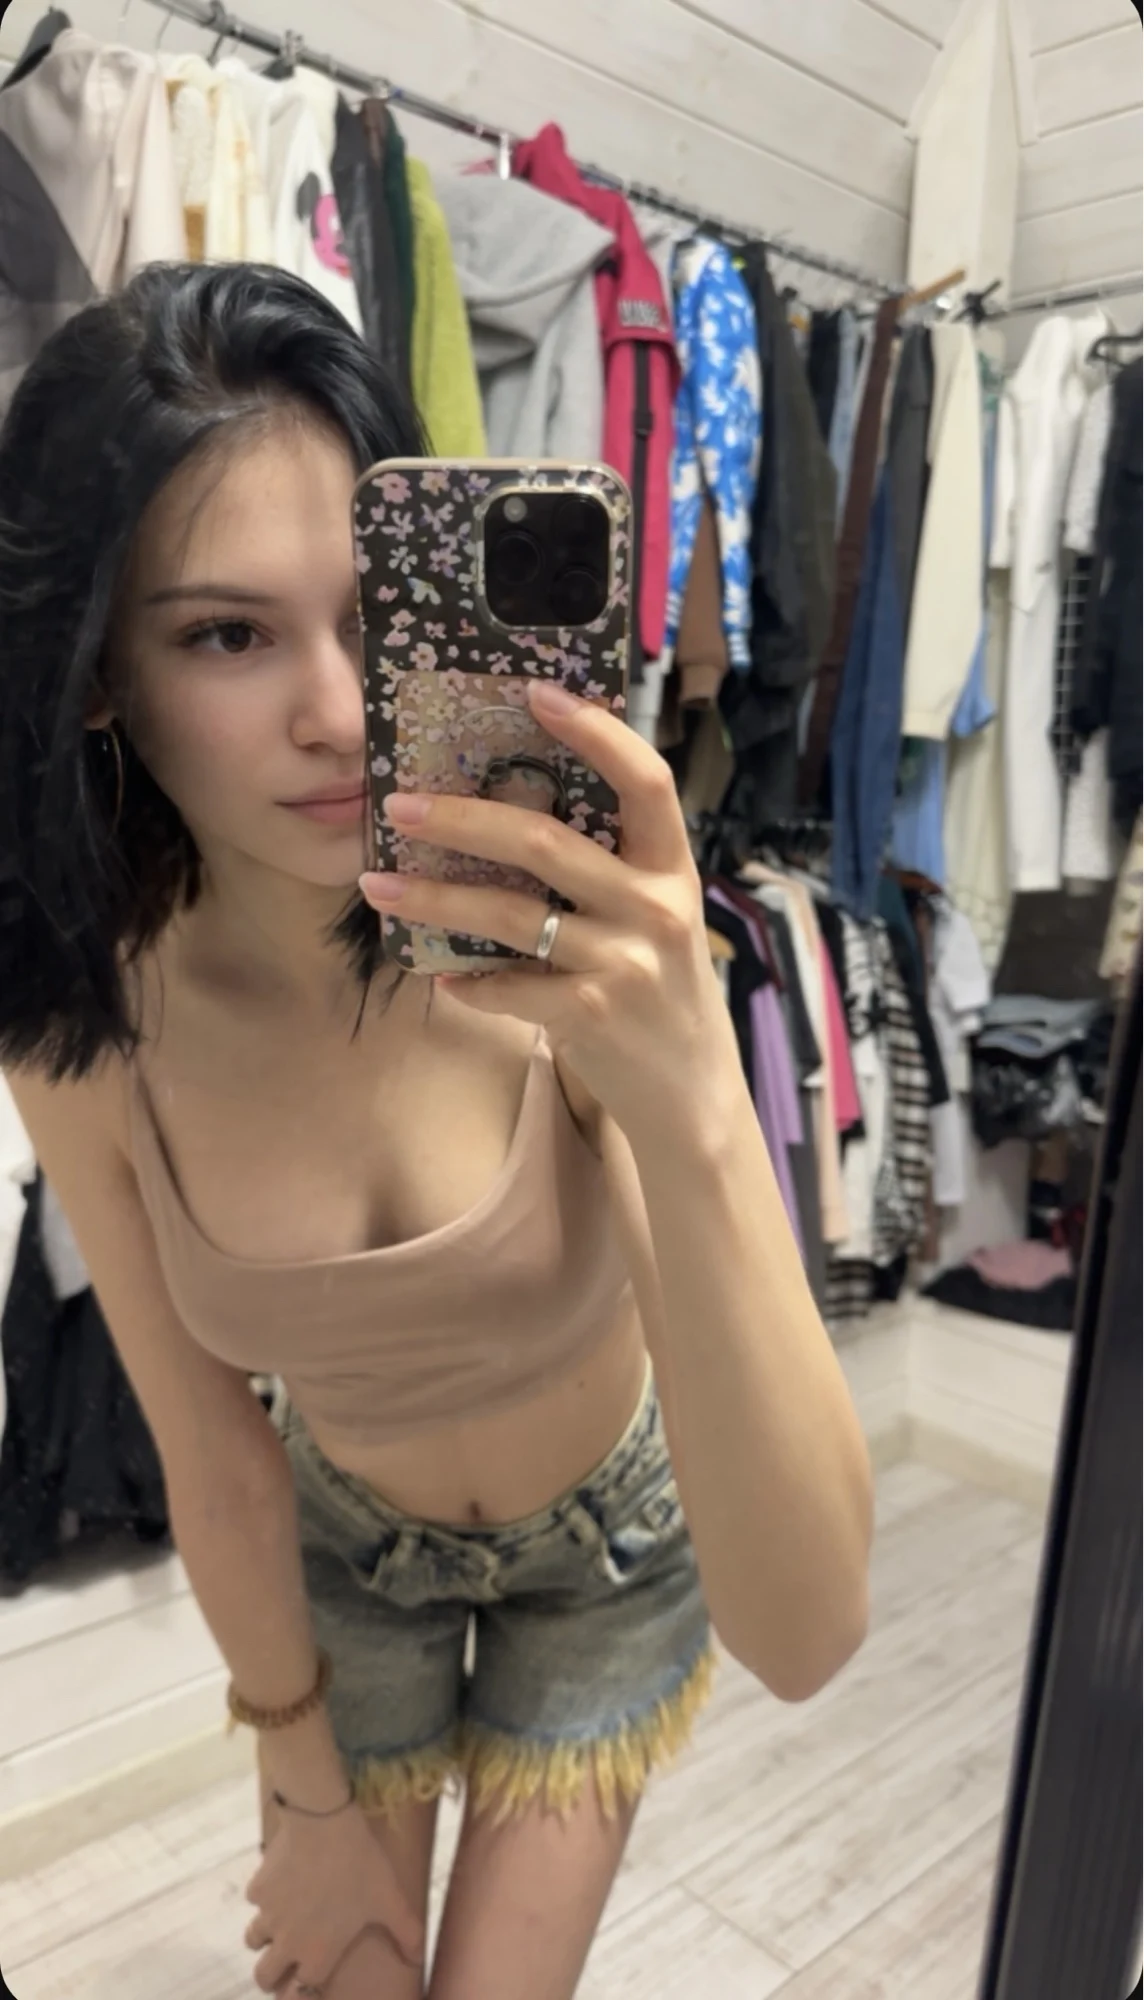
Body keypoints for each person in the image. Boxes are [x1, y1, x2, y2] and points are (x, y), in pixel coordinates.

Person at [0, 262, 874, 2000]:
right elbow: (214, 1452)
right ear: (100, 676)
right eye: (227, 634)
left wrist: (695, 1097)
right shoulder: (86, 1019)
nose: (338, 712)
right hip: (342, 1562)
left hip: (614, 1549)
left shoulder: (553, 942)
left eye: (367, 617)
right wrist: (303, 1790)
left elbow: (808, 1637)